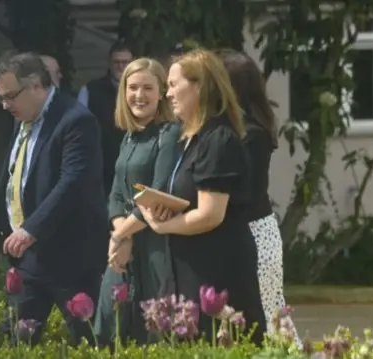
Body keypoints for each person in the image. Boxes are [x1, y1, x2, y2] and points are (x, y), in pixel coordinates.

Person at [138, 49, 267, 344]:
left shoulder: (218, 139)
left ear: (199, 86)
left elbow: (210, 214)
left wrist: (163, 226)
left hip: (216, 267)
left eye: (173, 84)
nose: (167, 94)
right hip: (191, 264)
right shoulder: (192, 138)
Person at [0, 52, 108, 345]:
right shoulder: (24, 118)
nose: (5, 105)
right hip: (30, 260)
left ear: (37, 86)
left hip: (71, 259)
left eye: (10, 96)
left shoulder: (76, 120)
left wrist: (31, 229)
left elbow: (72, 183)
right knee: (14, 343)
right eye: (1, 97)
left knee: (89, 342)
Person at [214, 48, 300, 342]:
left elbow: (242, 194)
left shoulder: (252, 134)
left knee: (267, 320)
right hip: (240, 233)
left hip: (255, 235)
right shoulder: (228, 129)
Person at [93, 58, 180, 345]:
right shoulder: (129, 137)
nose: (139, 95)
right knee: (109, 325)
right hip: (124, 244)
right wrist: (122, 236)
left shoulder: (169, 134)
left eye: (147, 88)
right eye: (132, 87)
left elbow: (157, 194)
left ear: (161, 93)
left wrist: (120, 235)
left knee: (153, 329)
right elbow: (117, 194)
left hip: (155, 245)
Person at [78, 41, 134, 198]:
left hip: (134, 166)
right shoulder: (90, 91)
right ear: (109, 64)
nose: (121, 66)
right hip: (100, 167)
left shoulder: (142, 92)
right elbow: (79, 130)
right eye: (117, 62)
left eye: (125, 62)